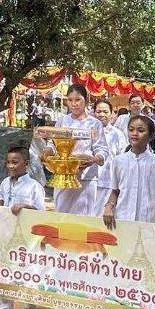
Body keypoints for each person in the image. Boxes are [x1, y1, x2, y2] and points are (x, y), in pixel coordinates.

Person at [102, 115, 155, 309]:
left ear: (150, 136)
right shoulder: (119, 161)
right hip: (123, 226)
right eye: (131, 129)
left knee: (150, 276)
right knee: (122, 277)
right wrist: (109, 206)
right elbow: (115, 191)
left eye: (141, 130)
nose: (135, 133)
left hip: (149, 227)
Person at [0, 144, 46, 309]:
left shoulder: (35, 187)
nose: (11, 166)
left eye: (15, 162)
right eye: (8, 162)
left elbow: (41, 213)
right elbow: (1, 200)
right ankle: (4, 308)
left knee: (27, 269)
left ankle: (29, 296)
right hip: (5, 234)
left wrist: (26, 207)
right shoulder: (5, 183)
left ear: (26, 164)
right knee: (4, 269)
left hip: (27, 239)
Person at [36, 84, 108, 215]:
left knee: (84, 220)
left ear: (86, 100)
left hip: (86, 179)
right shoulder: (62, 121)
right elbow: (53, 143)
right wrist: (48, 151)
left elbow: (102, 149)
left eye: (78, 100)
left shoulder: (94, 124)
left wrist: (94, 159)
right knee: (62, 217)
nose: (74, 104)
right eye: (70, 100)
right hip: (63, 175)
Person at [92, 99, 128, 216]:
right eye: (98, 111)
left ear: (112, 114)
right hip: (87, 183)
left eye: (105, 112)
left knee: (101, 220)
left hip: (108, 183)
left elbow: (123, 161)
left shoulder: (118, 135)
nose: (101, 114)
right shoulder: (86, 131)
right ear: (93, 113)